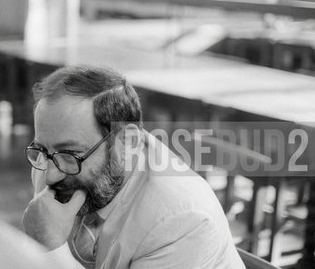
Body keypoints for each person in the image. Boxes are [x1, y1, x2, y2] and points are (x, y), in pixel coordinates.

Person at [22, 65, 245, 269]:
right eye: (42, 150)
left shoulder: (181, 221)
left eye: (71, 154)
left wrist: (51, 246)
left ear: (127, 143)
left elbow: (48, 242)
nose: (50, 176)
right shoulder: (52, 161)